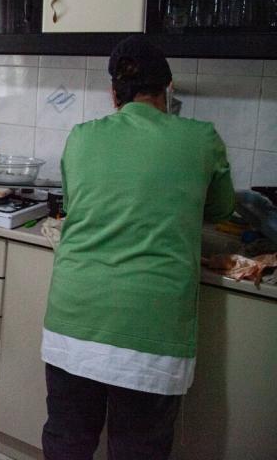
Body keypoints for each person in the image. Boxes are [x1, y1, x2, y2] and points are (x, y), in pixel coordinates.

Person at [41, 35, 235, 459]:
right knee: (138, 450)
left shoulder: (80, 137)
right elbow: (221, 208)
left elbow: (76, 205)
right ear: (167, 89)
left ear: (114, 94)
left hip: (74, 322)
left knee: (67, 442)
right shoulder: (202, 138)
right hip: (151, 334)